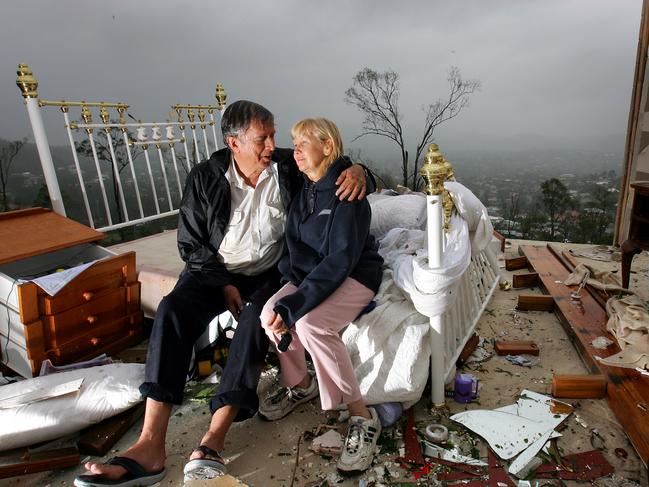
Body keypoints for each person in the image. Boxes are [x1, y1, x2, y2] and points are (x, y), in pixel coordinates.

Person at [74, 101, 372, 487]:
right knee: (172, 311)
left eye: (273, 136)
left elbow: (329, 170)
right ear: (234, 142)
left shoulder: (284, 167)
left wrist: (363, 172)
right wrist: (223, 283)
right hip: (213, 273)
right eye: (262, 139)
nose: (272, 146)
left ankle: (213, 438)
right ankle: (149, 444)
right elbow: (190, 244)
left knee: (255, 317)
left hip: (265, 272)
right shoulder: (205, 178)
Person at [259, 117, 384, 475]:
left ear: (327, 147)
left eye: (303, 143)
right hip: (314, 275)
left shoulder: (348, 190)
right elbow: (297, 248)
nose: (295, 150)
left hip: (354, 274)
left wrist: (297, 303)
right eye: (294, 143)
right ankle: (300, 384)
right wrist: (288, 293)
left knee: (313, 325)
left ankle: (362, 417)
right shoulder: (306, 188)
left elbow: (341, 259)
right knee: (268, 312)